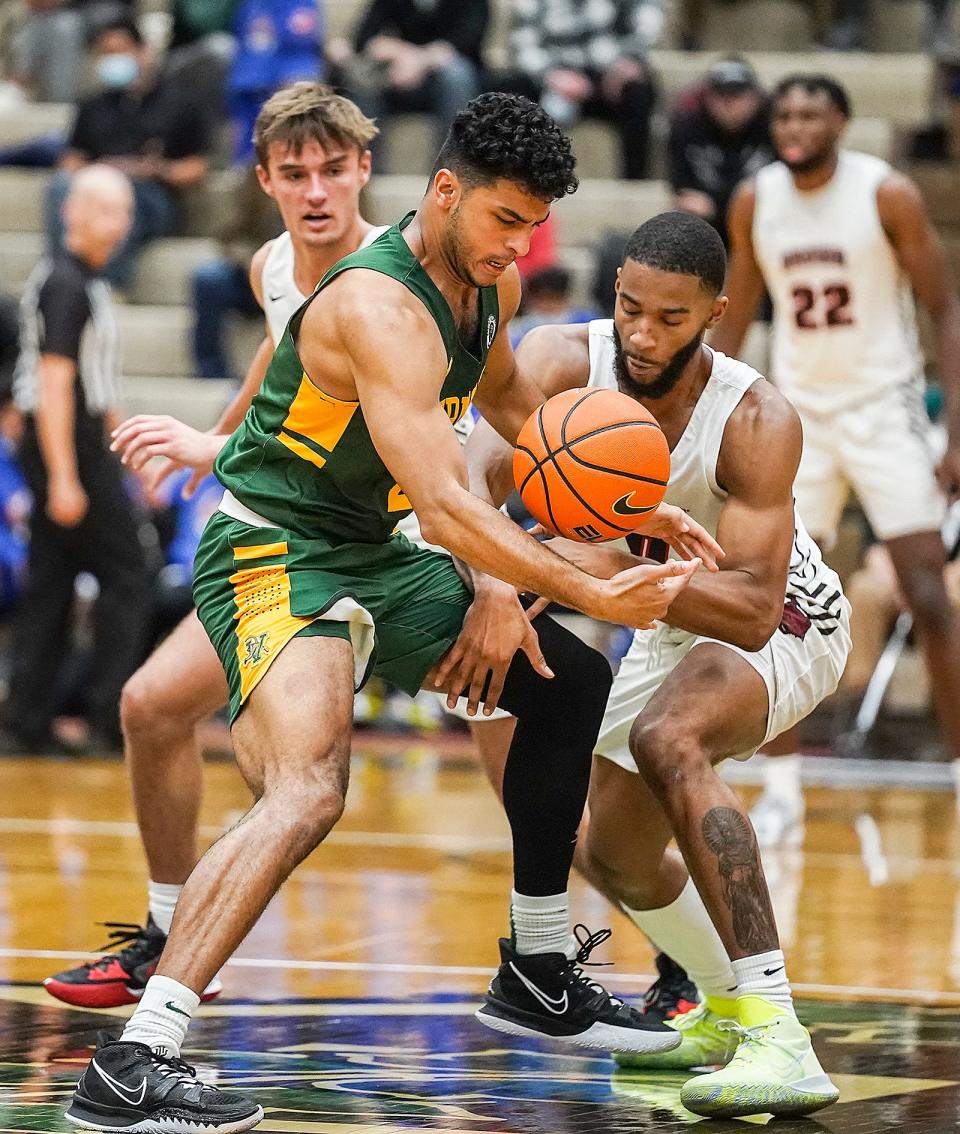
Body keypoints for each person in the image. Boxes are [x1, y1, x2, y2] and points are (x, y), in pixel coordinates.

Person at [64, 91, 715, 1132]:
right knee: (310, 788)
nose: (518, 243)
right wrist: (591, 585)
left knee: (567, 680)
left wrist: (638, 506)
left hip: (374, 549)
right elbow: (455, 506)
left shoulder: (484, 291)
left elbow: (519, 416)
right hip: (276, 549)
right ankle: (136, 1060)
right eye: (505, 219)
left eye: (532, 225)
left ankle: (538, 966)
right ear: (446, 191)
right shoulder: (377, 305)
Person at [466, 210, 850, 1118]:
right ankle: (723, 1008)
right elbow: (479, 473)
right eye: (630, 307)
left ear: (715, 311)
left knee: (668, 735)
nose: (642, 334)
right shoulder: (567, 360)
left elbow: (753, 611)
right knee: (614, 850)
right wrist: (494, 578)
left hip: (780, 610)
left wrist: (613, 569)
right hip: (664, 611)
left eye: (670, 318)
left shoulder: (754, 418)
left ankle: (779, 1038)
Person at [42, 81, 384, 1008]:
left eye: (332, 170)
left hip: (387, 547)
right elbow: (279, 354)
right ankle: (168, 933)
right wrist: (215, 448)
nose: (316, 191)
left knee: (550, 769)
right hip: (290, 537)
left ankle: (574, 949)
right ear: (266, 180)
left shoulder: (393, 280)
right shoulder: (275, 264)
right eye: (294, 173)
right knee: (152, 707)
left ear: (362, 169)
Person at [712, 73, 960, 845]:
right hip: (801, 416)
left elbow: (943, 305)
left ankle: (958, 764)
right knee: (777, 595)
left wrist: (954, 424)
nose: (794, 123)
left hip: (885, 409)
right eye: (783, 112)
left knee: (926, 588)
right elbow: (738, 313)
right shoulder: (755, 199)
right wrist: (704, 415)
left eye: (810, 112)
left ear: (841, 122)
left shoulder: (886, 193)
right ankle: (781, 783)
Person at [0, 165, 151, 755]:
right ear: (74, 214)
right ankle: (108, 720)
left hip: (74, 441)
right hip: (65, 444)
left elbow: (97, 387)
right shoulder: (66, 282)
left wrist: (135, 455)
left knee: (53, 580)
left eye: (127, 213)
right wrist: (64, 477)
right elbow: (56, 383)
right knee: (128, 574)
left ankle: (25, 722)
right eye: (111, 211)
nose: (122, 225)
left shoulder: (83, 281)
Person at [45, 14, 213, 292]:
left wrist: (156, 170)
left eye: (118, 52)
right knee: (61, 187)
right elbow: (70, 159)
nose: (111, 61)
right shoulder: (92, 106)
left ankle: (104, 286)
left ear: (142, 51)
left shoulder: (178, 102)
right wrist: (97, 173)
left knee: (123, 195)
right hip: (98, 186)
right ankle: (62, 276)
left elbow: (197, 169)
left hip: (151, 195)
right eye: (105, 54)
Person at [501, 0, 661, 180]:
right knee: (508, 91)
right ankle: (517, 182)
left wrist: (629, 59)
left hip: (607, 75)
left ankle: (634, 182)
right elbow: (522, 45)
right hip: (551, 74)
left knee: (638, 90)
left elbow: (646, 24)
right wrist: (551, 75)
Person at [331, 0, 487, 168]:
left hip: (444, 79)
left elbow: (467, 42)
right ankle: (368, 173)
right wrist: (399, 54)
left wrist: (418, 61)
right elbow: (364, 39)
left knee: (456, 75)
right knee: (362, 79)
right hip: (395, 77)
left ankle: (453, 170)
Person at [667, 56, 772, 247]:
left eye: (737, 96)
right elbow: (683, 193)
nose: (729, 104)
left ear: (755, 98)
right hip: (706, 226)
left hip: (760, 223)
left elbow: (776, 193)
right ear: (707, 97)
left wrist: (717, 205)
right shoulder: (687, 128)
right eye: (721, 95)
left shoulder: (773, 127)